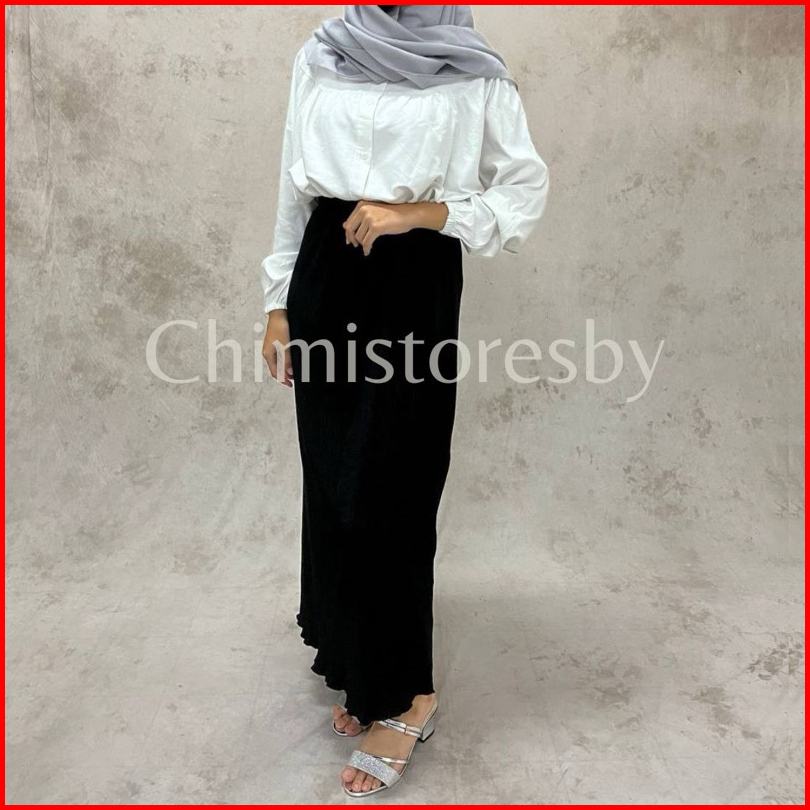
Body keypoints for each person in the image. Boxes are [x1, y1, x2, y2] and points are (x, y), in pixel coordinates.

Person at [260, 5, 549, 797]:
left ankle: (408, 693)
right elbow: (293, 178)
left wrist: (424, 212)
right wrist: (278, 302)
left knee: (390, 488)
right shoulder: (323, 52)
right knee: (333, 484)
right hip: (325, 272)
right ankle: (363, 670)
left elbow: (524, 188)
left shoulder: (474, 72)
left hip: (413, 278)